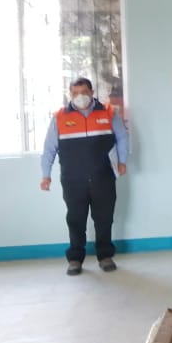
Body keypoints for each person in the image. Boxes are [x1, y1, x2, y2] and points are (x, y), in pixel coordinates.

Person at [40, 77, 130, 275]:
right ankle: (75, 259)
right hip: (73, 179)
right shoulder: (60, 117)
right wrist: (46, 175)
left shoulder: (108, 112)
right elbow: (49, 149)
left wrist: (122, 161)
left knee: (104, 218)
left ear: (91, 92)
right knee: (75, 219)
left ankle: (105, 256)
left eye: (84, 92)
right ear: (70, 94)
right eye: (75, 93)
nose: (80, 96)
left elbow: (122, 137)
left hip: (103, 176)